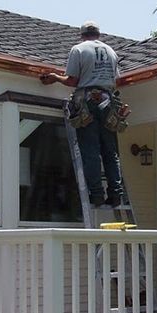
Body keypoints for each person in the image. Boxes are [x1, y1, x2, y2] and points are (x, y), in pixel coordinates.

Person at [40, 20, 125, 207]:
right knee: (110, 153)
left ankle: (96, 195)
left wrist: (55, 77)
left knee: (91, 151)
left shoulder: (78, 49)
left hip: (87, 100)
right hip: (108, 100)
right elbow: (116, 80)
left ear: (82, 35)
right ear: (98, 34)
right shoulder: (111, 52)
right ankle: (116, 195)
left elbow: (72, 80)